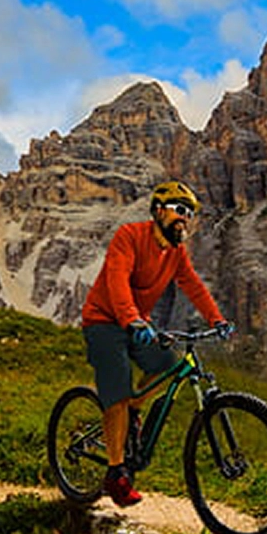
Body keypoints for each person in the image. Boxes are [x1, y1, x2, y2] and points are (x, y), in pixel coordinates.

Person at [81, 180, 233, 506]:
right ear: (159, 211)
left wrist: (216, 319)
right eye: (179, 210)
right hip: (104, 322)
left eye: (189, 213)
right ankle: (116, 473)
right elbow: (117, 280)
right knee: (118, 390)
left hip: (138, 322)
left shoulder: (176, 252)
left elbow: (193, 286)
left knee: (168, 364)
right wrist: (132, 319)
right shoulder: (129, 236)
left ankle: (135, 411)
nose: (185, 218)